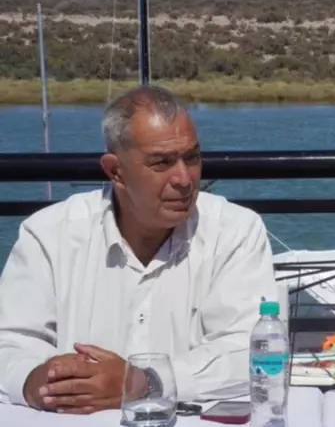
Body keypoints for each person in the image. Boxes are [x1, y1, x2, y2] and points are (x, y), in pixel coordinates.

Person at [0, 85, 279, 413]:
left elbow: (254, 351)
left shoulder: (234, 231)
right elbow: (9, 343)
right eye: (161, 163)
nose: (184, 179)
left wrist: (146, 383)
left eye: (192, 158)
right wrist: (35, 382)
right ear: (115, 171)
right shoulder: (49, 234)